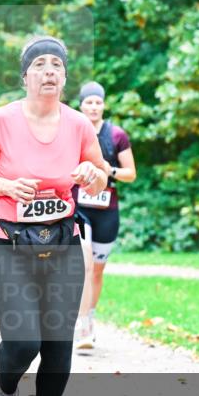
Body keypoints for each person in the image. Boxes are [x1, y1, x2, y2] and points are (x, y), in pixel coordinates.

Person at [0, 35, 107, 396]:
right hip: (8, 244)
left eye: (56, 65)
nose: (49, 71)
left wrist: (91, 172)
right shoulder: (1, 120)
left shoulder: (79, 125)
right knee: (24, 340)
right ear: (25, 75)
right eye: (40, 64)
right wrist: (7, 186)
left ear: (65, 77)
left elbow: (101, 176)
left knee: (58, 342)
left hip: (62, 243)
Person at [73, 81, 137, 349]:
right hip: (79, 208)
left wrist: (107, 170)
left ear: (103, 105)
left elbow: (130, 174)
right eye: (89, 102)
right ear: (81, 105)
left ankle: (89, 316)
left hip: (107, 210)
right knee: (84, 265)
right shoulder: (73, 131)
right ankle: (82, 325)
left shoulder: (117, 135)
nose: (94, 107)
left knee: (97, 271)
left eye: (98, 102)